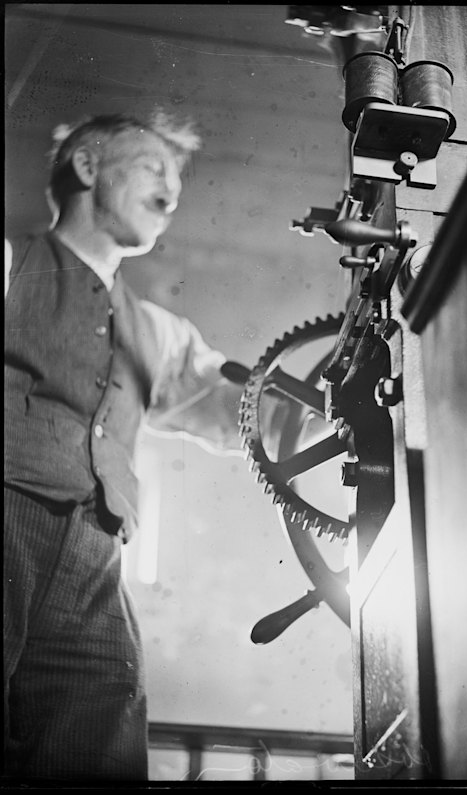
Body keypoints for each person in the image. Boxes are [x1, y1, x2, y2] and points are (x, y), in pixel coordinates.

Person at [4, 112, 245, 781]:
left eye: (178, 182)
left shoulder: (158, 332)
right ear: (87, 166)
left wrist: (337, 399)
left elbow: (237, 411)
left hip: (93, 552)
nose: (173, 194)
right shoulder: (8, 267)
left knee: (101, 724)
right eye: (154, 169)